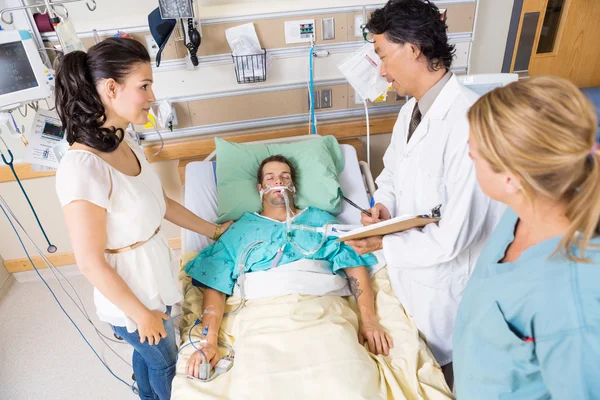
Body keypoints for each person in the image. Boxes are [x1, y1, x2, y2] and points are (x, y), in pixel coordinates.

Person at [54, 38, 231, 400]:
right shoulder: (82, 167)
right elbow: (89, 262)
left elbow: (159, 203)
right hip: (130, 292)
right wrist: (142, 314)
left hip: (154, 272)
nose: (151, 97)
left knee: (149, 356)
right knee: (165, 363)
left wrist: (214, 231)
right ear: (111, 88)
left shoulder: (123, 140)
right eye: (144, 86)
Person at [346, 0, 502, 385]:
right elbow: (394, 175)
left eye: (382, 55)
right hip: (414, 285)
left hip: (449, 295)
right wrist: (383, 205)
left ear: (412, 50)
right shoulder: (410, 113)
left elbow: (453, 238)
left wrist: (385, 243)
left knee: (449, 382)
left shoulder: (469, 123)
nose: (381, 70)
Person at [454, 77, 600, 398]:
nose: (469, 158)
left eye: (474, 154)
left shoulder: (573, 301)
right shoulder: (520, 213)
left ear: (510, 178)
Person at [183, 155, 394, 378]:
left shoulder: (321, 221)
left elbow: (355, 265)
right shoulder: (239, 231)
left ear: (293, 186)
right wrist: (208, 342)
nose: (278, 182)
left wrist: (369, 322)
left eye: (285, 177)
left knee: (346, 375)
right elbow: (216, 285)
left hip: (322, 313)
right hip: (263, 319)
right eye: (271, 178)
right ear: (260, 188)